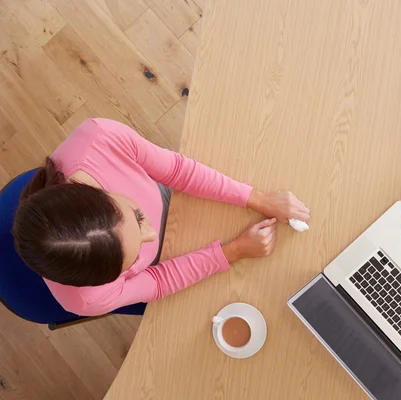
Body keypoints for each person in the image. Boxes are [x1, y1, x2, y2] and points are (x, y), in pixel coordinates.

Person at [12, 118, 310, 316]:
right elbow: (156, 281)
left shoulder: (101, 138)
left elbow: (178, 171)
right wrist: (234, 251)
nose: (151, 234)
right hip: (171, 258)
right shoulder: (88, 299)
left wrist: (258, 199)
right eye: (130, 262)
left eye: (137, 217)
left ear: (99, 192)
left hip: (173, 199)